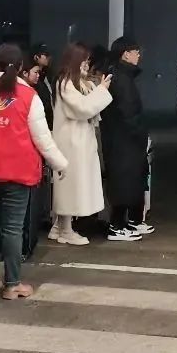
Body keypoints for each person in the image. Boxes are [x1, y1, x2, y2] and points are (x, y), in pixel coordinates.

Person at [0, 44, 68, 300]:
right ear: (21, 67)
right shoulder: (29, 96)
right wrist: (60, 164)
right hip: (17, 171)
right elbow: (42, 138)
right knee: (13, 228)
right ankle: (12, 284)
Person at [51, 43, 114, 246]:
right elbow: (83, 108)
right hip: (70, 143)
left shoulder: (77, 82)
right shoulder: (65, 83)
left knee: (71, 186)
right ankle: (65, 230)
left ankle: (59, 227)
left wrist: (98, 90)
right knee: (69, 187)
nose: (87, 64)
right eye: (84, 61)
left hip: (77, 142)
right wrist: (102, 90)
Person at [100, 36, 153, 240]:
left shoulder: (123, 75)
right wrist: (140, 133)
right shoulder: (120, 78)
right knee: (123, 181)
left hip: (124, 139)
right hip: (122, 139)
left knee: (130, 181)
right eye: (136, 51)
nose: (139, 55)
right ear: (125, 54)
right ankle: (117, 225)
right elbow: (128, 112)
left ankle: (129, 222)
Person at [31, 42, 54, 129]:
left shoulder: (47, 74)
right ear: (36, 57)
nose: (49, 57)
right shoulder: (33, 79)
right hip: (40, 123)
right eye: (46, 55)